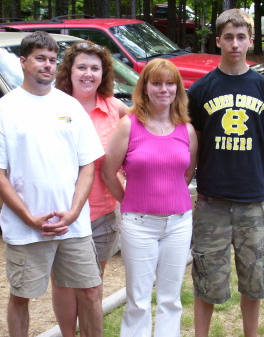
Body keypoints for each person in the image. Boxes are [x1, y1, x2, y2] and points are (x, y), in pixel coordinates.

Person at [0, 31, 104, 337]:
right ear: (23, 61)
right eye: (40, 58)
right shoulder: (4, 110)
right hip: (26, 229)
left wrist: (73, 212)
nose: (48, 65)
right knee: (21, 297)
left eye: (52, 59)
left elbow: (88, 166)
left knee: (90, 293)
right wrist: (28, 218)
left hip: (74, 226)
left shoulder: (71, 107)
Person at [187, 9, 264, 337]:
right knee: (207, 281)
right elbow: (195, 145)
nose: (234, 43)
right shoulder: (200, 90)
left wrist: (249, 172)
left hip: (253, 202)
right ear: (218, 41)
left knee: (254, 282)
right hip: (211, 202)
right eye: (228, 36)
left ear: (250, 41)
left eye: (241, 36)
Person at [102, 58, 198, 337]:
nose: (163, 89)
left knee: (171, 299)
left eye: (170, 84)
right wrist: (129, 200)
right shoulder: (128, 126)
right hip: (139, 224)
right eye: (156, 83)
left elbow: (187, 173)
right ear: (144, 88)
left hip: (179, 223)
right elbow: (109, 173)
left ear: (178, 90)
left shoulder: (187, 130)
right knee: (139, 300)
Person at [53, 40, 128, 337]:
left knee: (92, 286)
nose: (88, 74)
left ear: (104, 73)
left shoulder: (114, 108)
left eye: (95, 68)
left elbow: (141, 138)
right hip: (61, 213)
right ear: (69, 71)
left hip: (102, 212)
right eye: (81, 66)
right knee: (63, 284)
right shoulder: (53, 105)